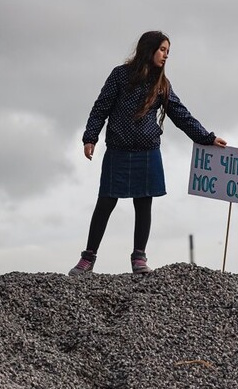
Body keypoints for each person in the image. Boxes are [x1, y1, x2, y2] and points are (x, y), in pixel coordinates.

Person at [69, 31, 227, 276]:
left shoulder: (161, 84)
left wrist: (206, 137)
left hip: (148, 151)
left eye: (168, 52)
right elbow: (101, 107)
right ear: (149, 49)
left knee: (144, 204)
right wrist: (90, 137)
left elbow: (179, 114)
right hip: (118, 150)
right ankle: (87, 258)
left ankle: (139, 258)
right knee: (106, 202)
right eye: (162, 50)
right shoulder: (120, 75)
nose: (165, 56)